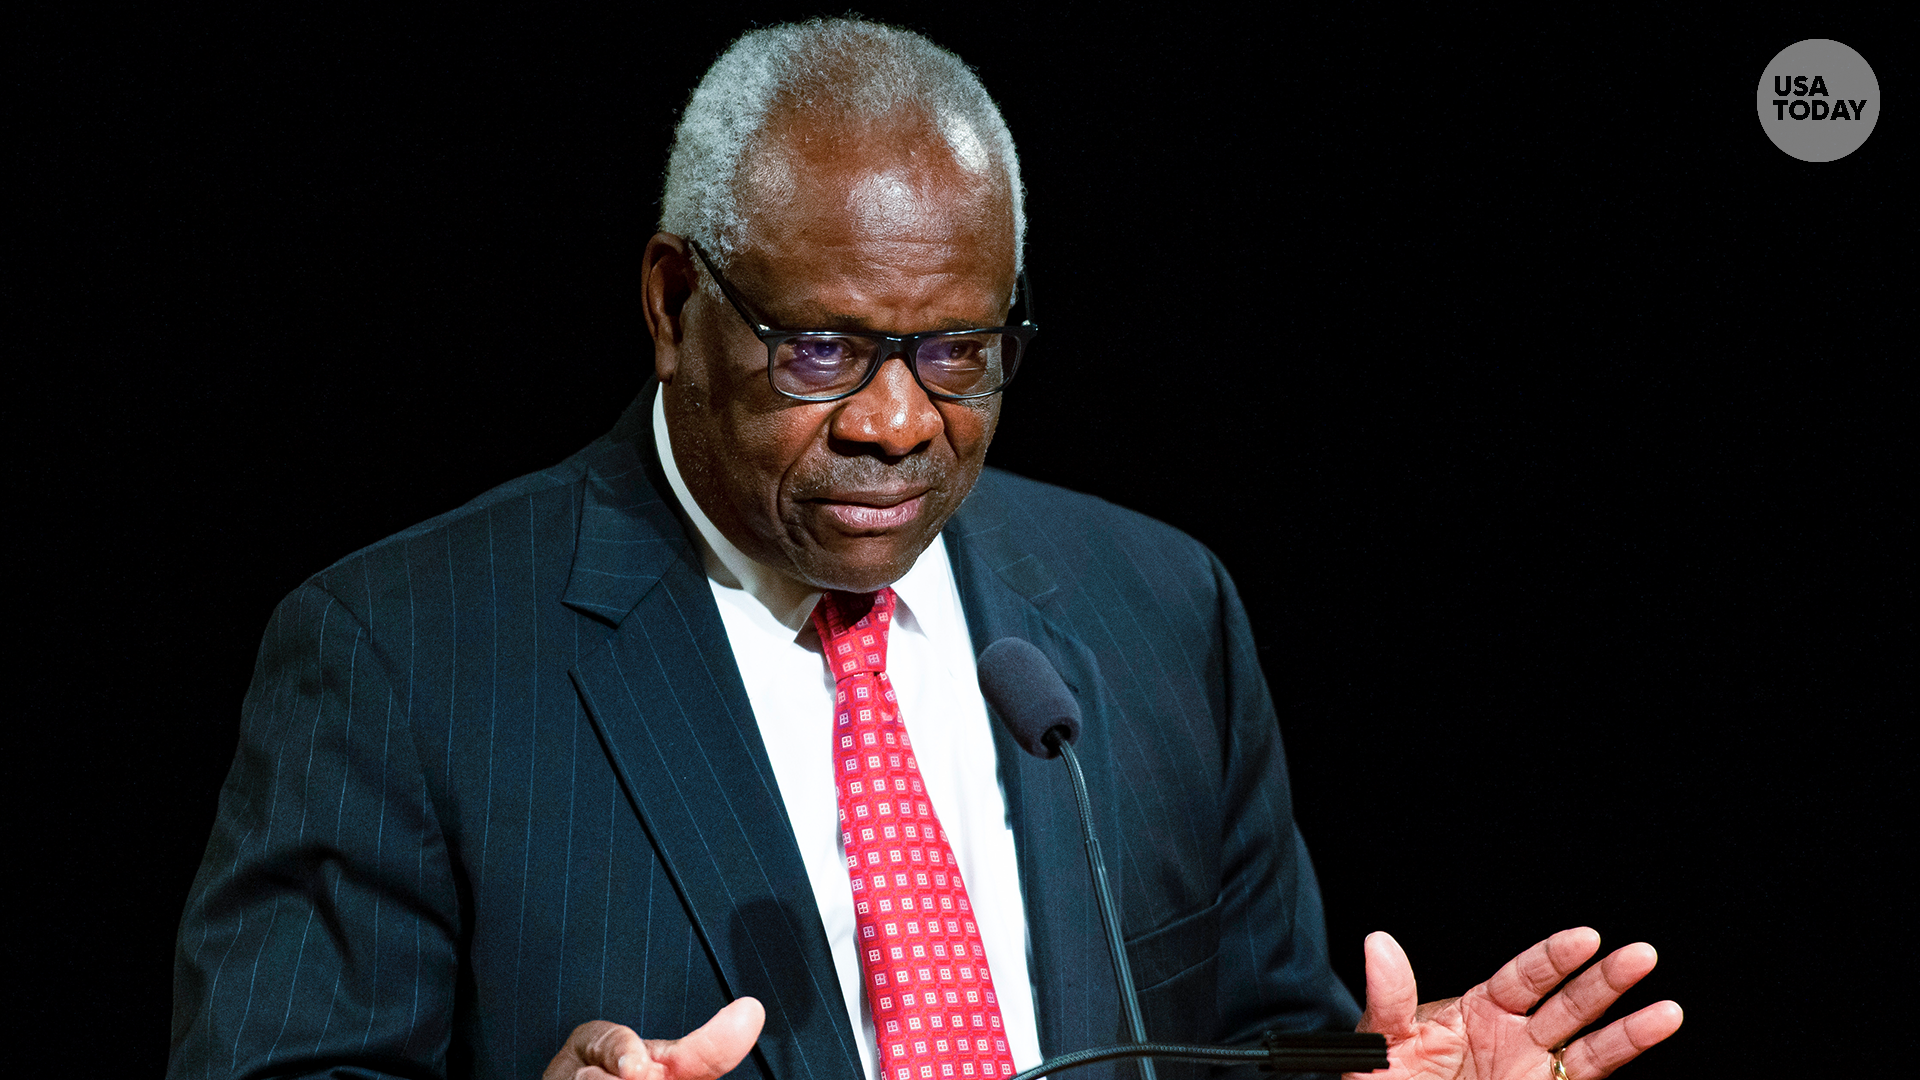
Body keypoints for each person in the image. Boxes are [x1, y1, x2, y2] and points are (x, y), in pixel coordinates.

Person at [169, 18, 1682, 1080]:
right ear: (670, 300)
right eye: (821, 347)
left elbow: (1239, 1041)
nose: (900, 423)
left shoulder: (1155, 608)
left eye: (959, 351)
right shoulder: (398, 652)